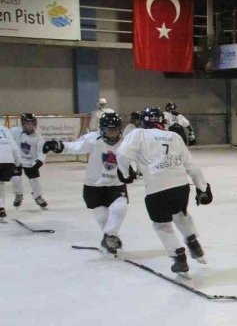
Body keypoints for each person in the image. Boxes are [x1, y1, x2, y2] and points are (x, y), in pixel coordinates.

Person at [116, 106, 212, 275]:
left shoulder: (138, 134)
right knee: (180, 213)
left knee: (162, 225)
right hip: (180, 186)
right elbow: (191, 165)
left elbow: (123, 154)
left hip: (156, 187)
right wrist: (202, 187)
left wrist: (125, 173)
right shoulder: (174, 136)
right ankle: (192, 240)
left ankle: (178, 256)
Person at [43, 113, 131, 255]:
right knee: (102, 216)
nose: (113, 134)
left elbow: (135, 156)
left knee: (121, 208)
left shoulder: (126, 142)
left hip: (116, 183)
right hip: (94, 185)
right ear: (102, 130)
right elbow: (76, 146)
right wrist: (59, 146)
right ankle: (109, 239)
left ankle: (108, 237)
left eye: (115, 130)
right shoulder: (93, 139)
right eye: (109, 131)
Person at [11, 113, 47, 209]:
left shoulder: (38, 137)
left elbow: (42, 151)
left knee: (35, 180)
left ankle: (37, 196)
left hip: (30, 162)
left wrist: (39, 161)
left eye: (32, 123)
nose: (30, 126)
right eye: (27, 123)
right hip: (17, 160)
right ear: (22, 124)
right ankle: (19, 195)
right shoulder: (14, 131)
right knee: (16, 179)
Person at [0, 122, 22, 220]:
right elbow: (14, 148)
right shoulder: (5, 129)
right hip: (8, 161)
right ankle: (1, 209)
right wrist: (17, 162)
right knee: (0, 184)